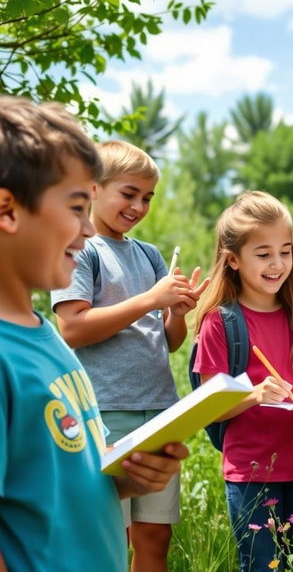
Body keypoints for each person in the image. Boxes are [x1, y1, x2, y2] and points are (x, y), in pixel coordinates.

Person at [0, 96, 187, 572]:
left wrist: (128, 481)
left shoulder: (50, 349)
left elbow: (70, 483)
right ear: (8, 210)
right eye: (76, 207)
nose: (86, 232)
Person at [51, 140, 207, 572]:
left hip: (158, 410)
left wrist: (176, 311)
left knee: (155, 534)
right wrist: (148, 299)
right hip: (104, 412)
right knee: (109, 537)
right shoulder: (81, 249)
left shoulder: (149, 254)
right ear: (95, 189)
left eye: (148, 197)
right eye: (129, 193)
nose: (139, 206)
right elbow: (73, 328)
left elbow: (168, 341)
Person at [192, 190, 293, 572]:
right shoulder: (220, 323)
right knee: (261, 564)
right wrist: (254, 395)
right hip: (251, 469)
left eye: (285, 251)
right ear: (234, 260)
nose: (277, 263)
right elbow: (209, 404)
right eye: (264, 254)